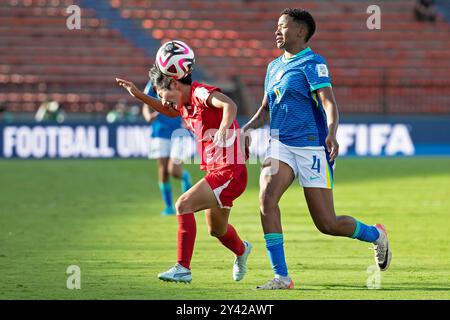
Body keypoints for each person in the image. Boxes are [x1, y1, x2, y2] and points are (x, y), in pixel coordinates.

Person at [242, 8, 392, 290]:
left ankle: (375, 235)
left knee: (327, 224)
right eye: (276, 25)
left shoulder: (313, 63)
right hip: (281, 145)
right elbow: (265, 110)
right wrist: (246, 129)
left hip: (312, 148)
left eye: (282, 26)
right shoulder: (273, 67)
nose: (276, 31)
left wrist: (332, 133)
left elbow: (328, 103)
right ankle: (281, 277)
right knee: (266, 198)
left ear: (301, 31)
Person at [116, 64, 251, 284]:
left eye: (163, 95)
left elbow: (229, 104)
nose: (165, 101)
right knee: (217, 230)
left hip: (229, 171)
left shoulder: (199, 93)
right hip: (218, 170)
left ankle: (182, 268)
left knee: (183, 204)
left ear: (174, 83)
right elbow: (168, 110)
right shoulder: (184, 103)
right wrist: (140, 96)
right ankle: (242, 250)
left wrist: (225, 128)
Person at [142, 80, 193, 215]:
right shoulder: (154, 81)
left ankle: (185, 177)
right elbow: (145, 101)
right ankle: (168, 207)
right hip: (160, 131)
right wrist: (148, 115)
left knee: (174, 170)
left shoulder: (179, 79)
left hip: (178, 131)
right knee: (163, 171)